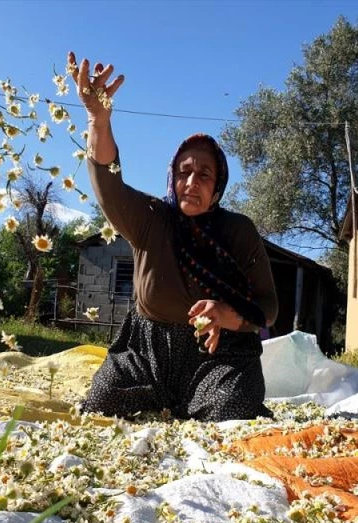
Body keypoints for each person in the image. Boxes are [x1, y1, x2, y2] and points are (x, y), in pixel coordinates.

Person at [69, 52, 278, 421]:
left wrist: (226, 315)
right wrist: (97, 119)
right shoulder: (152, 218)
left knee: (233, 411)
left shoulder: (237, 230)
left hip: (220, 357)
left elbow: (268, 309)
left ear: (218, 189)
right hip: (147, 354)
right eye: (184, 172)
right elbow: (107, 181)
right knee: (101, 404)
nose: (191, 183)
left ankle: (207, 400)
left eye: (204, 175)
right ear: (172, 178)